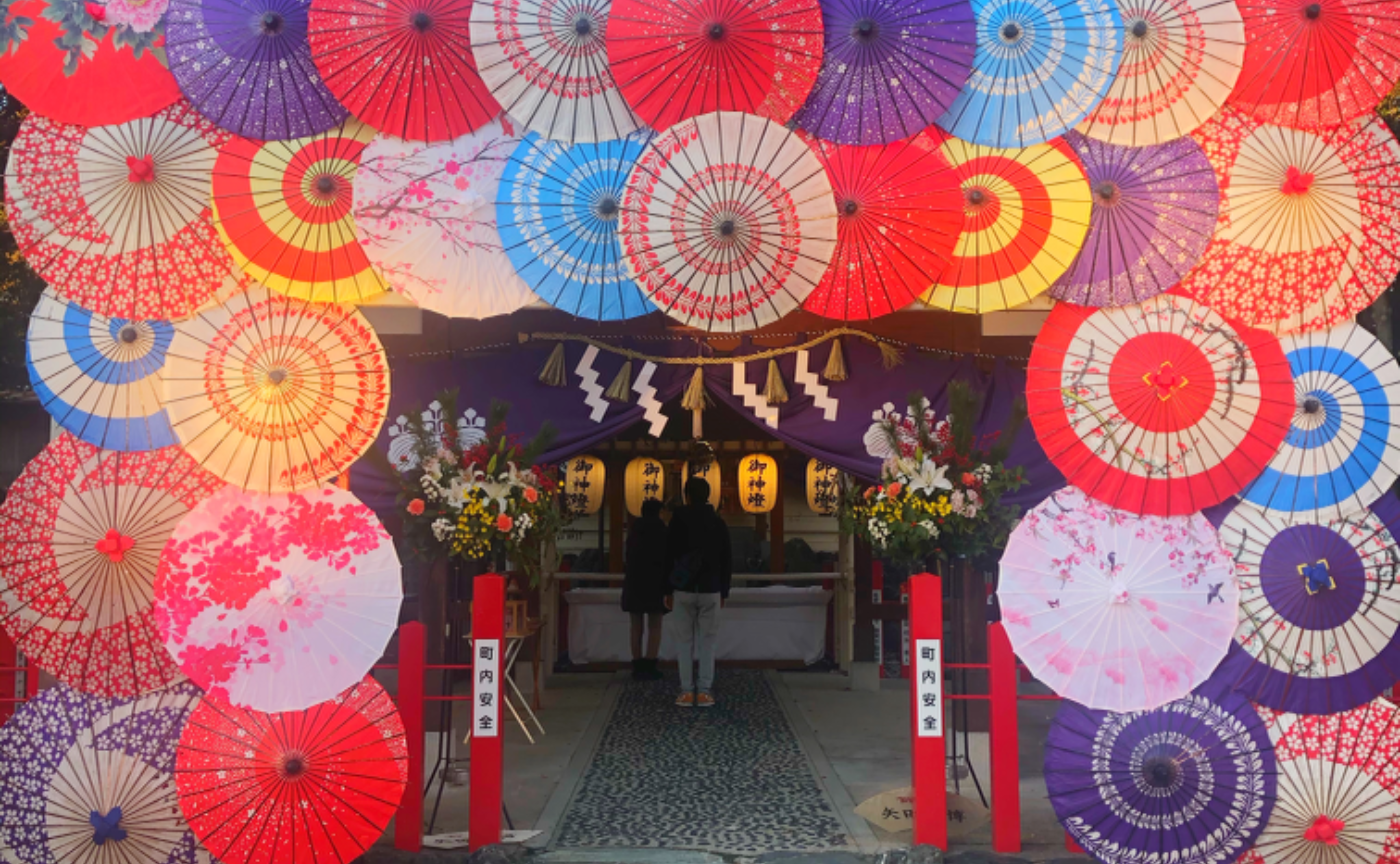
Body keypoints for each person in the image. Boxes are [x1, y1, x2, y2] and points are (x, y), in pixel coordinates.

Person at [665, 476, 731, 707]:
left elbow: (667, 555)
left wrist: (667, 588)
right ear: (709, 495)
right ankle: (704, 691)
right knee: (708, 641)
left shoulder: (677, 520)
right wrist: (724, 591)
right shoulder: (718, 523)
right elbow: (726, 559)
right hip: (711, 588)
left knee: (684, 641)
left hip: (683, 588)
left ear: (687, 495)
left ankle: (686, 690)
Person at [622, 498, 668, 680]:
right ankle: (650, 662)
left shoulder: (634, 531)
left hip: (634, 582)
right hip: (655, 583)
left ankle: (637, 662)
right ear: (659, 512)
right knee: (655, 625)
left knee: (636, 626)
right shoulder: (662, 531)